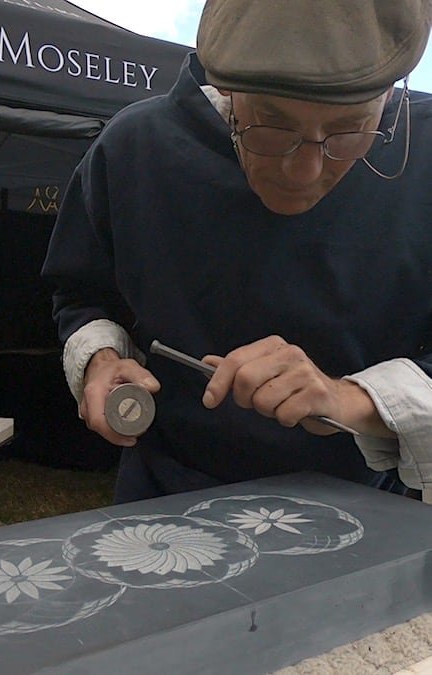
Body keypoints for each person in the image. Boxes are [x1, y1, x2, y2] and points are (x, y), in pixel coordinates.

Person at [41, 0, 432, 503]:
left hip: (368, 508)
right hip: (168, 503)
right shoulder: (134, 150)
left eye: (348, 130)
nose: (305, 172)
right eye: (273, 124)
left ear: (390, 94)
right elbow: (82, 294)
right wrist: (102, 358)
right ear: (225, 87)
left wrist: (349, 398)